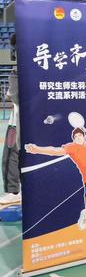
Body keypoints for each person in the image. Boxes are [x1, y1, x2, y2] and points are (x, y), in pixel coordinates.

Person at [25, 128, 86, 229]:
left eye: (80, 135)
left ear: (84, 136)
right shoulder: (72, 147)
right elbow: (54, 151)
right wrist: (37, 149)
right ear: (73, 139)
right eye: (75, 137)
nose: (78, 138)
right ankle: (85, 214)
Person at [1, 34, 21, 205]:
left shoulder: (18, 69)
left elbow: (13, 96)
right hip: (39, 120)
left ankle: (14, 191)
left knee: (10, 155)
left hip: (17, 122)